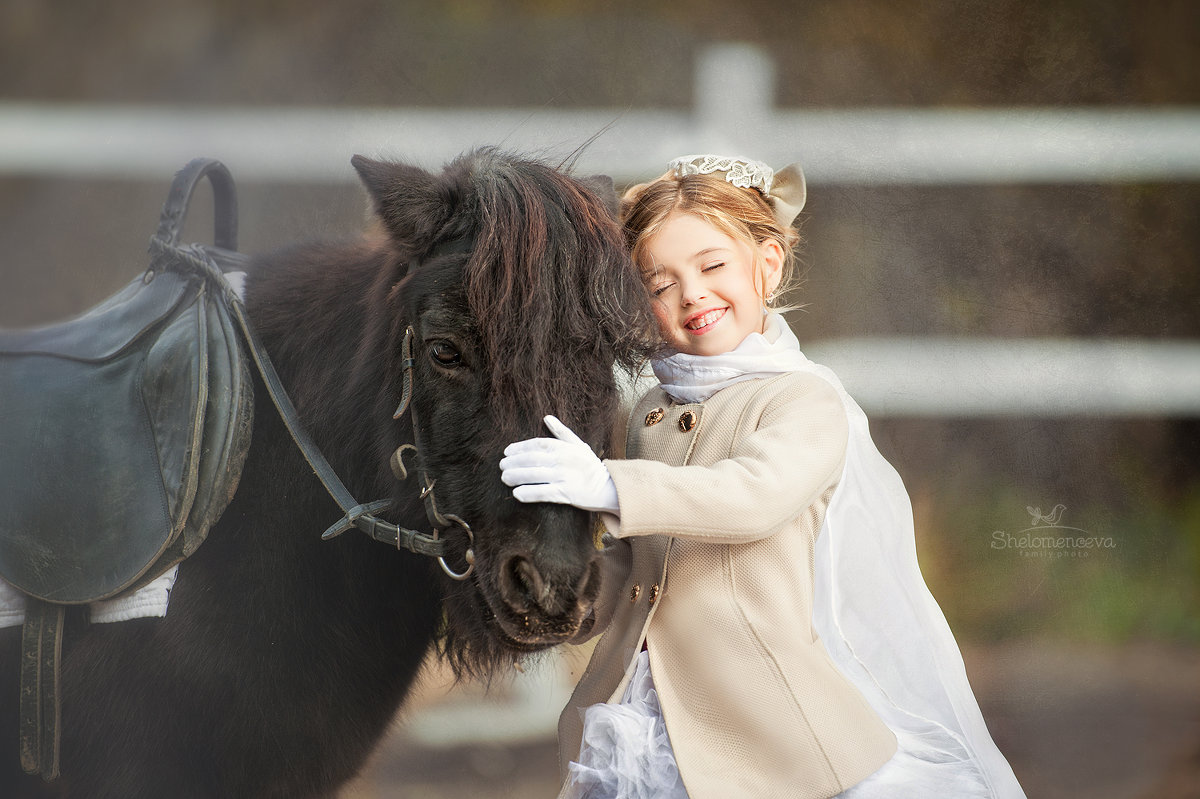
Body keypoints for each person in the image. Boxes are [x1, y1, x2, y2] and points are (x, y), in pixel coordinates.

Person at [499, 154, 1026, 799]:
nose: (690, 293)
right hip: (650, 711)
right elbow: (648, 568)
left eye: (712, 266)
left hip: (767, 726)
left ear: (767, 266)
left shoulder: (803, 403)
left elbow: (750, 498)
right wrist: (572, 593)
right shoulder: (650, 411)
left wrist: (612, 486)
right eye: (659, 285)